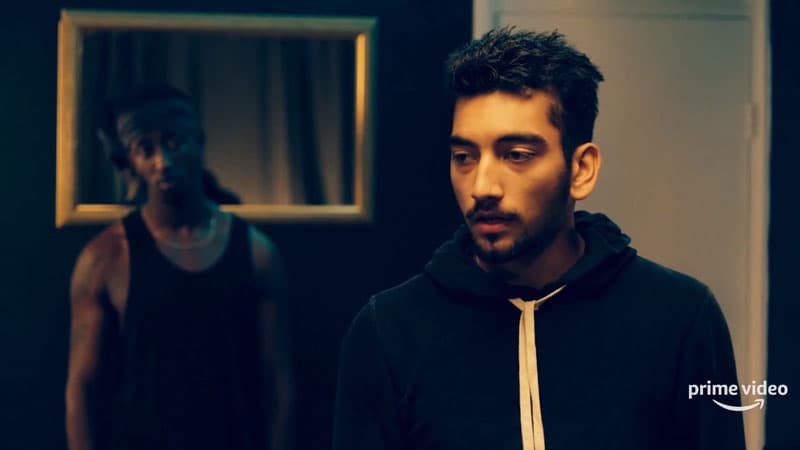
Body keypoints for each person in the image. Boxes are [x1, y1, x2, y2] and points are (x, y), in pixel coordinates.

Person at [333, 28, 745, 450]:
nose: (482, 186)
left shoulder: (680, 317)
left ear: (581, 170)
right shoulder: (389, 331)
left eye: (516, 155)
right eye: (464, 157)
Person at [65, 84, 295, 450]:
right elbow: (82, 388)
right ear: (131, 160)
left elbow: (277, 384)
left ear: (198, 142)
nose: (163, 162)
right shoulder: (106, 257)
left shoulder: (256, 252)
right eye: (146, 149)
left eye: (174, 142)